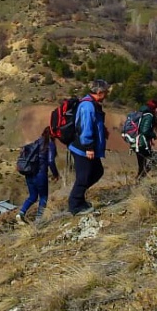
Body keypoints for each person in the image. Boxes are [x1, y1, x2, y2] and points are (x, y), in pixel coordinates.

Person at [67, 79, 109, 215]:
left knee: (97, 172)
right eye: (105, 92)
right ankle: (75, 206)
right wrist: (89, 147)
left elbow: (94, 124)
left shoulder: (93, 104)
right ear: (99, 92)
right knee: (83, 177)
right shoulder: (88, 106)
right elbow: (85, 128)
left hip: (87, 148)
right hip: (82, 148)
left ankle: (79, 200)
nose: (107, 94)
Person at [17, 126, 59, 222]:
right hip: (40, 174)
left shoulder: (36, 142)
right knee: (43, 197)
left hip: (29, 173)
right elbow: (51, 161)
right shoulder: (50, 144)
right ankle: (39, 220)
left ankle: (21, 213)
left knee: (32, 196)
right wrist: (55, 174)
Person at [128, 99, 157, 178]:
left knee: (141, 165)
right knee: (156, 158)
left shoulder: (140, 113)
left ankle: (139, 180)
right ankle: (141, 179)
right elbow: (145, 131)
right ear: (154, 107)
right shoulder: (149, 115)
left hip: (135, 142)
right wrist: (153, 135)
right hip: (142, 143)